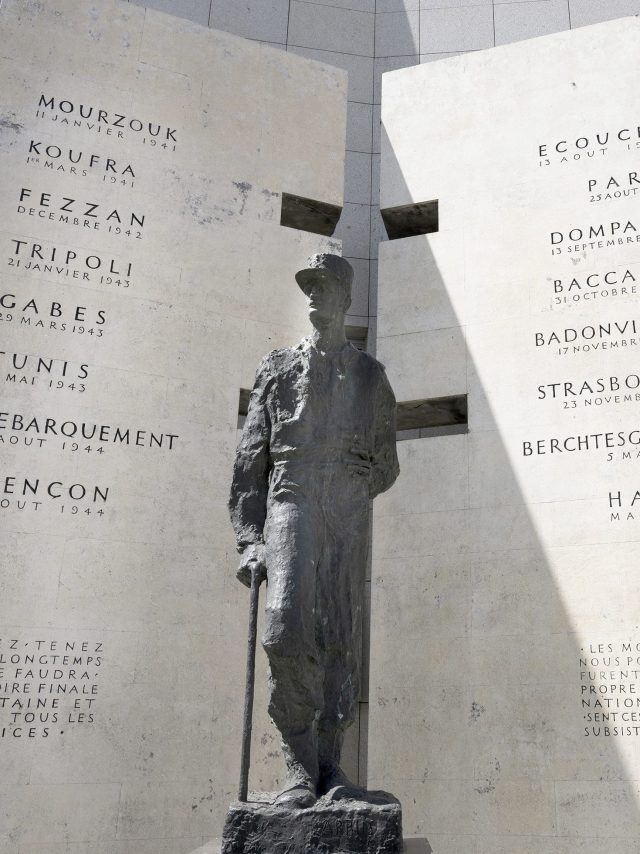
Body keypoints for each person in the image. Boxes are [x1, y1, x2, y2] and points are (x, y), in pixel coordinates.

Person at [229, 253, 399, 809]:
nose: (314, 297)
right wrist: (251, 539)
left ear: (346, 299)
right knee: (284, 626)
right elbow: (251, 462)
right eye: (310, 288)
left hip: (347, 507)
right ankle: (298, 767)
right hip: (292, 497)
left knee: (342, 637)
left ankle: (331, 769)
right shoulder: (277, 367)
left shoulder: (371, 376)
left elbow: (387, 462)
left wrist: (357, 482)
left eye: (325, 289)